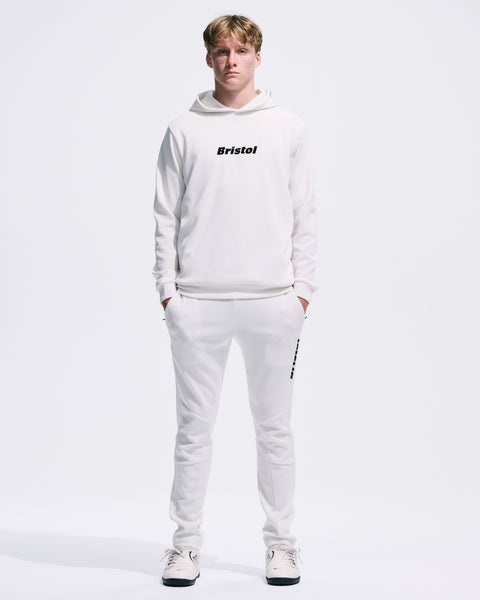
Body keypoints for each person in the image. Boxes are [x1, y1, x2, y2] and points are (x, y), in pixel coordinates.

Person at [152, 14, 317, 587]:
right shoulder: (183, 129)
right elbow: (165, 214)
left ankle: (282, 545)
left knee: (275, 430)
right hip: (198, 304)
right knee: (193, 431)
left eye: (241, 51)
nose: (231, 61)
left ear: (257, 58)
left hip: (273, 304)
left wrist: (302, 293)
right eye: (221, 51)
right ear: (208, 58)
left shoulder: (287, 127)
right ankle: (185, 546)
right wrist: (168, 293)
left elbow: (305, 213)